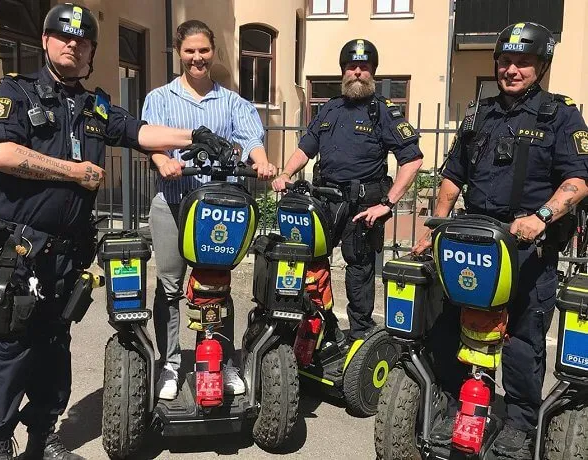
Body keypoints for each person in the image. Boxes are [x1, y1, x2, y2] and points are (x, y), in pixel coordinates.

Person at [0, 4, 218, 460]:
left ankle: (44, 435)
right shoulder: (14, 93)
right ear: (45, 41)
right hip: (19, 250)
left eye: (82, 40)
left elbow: (140, 131)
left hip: (66, 256)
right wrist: (75, 172)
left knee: (56, 348)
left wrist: (195, 136)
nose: (72, 44)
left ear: (92, 49)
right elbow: (2, 154)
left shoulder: (94, 105)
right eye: (63, 37)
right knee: (9, 350)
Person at [412, 22, 588, 458]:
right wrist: (432, 227)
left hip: (528, 248)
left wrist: (542, 216)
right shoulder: (479, 114)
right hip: (473, 243)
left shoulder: (561, 114)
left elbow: (578, 180)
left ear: (541, 66)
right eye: (505, 61)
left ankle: (520, 423)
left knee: (522, 342)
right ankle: (458, 401)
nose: (511, 70)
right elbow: (453, 176)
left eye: (522, 62)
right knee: (451, 327)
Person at [141, 19, 276, 401]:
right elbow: (150, 136)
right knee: (169, 287)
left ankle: (220, 360)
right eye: (189, 51)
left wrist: (262, 162)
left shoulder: (233, 102)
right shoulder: (160, 98)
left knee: (215, 286)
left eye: (203, 50)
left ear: (213, 52)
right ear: (178, 53)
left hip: (218, 207)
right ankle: (169, 362)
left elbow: (251, 139)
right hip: (172, 201)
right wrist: (159, 160)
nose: (197, 58)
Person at [272, 39, 423, 347]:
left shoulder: (383, 112)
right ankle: (321, 328)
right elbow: (306, 146)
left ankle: (360, 336)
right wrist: (287, 173)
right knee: (311, 264)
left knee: (359, 270)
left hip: (363, 205)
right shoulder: (329, 108)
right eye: (351, 67)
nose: (357, 72)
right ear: (343, 72)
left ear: (373, 73)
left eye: (363, 67)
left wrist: (388, 203)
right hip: (324, 201)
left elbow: (413, 158)